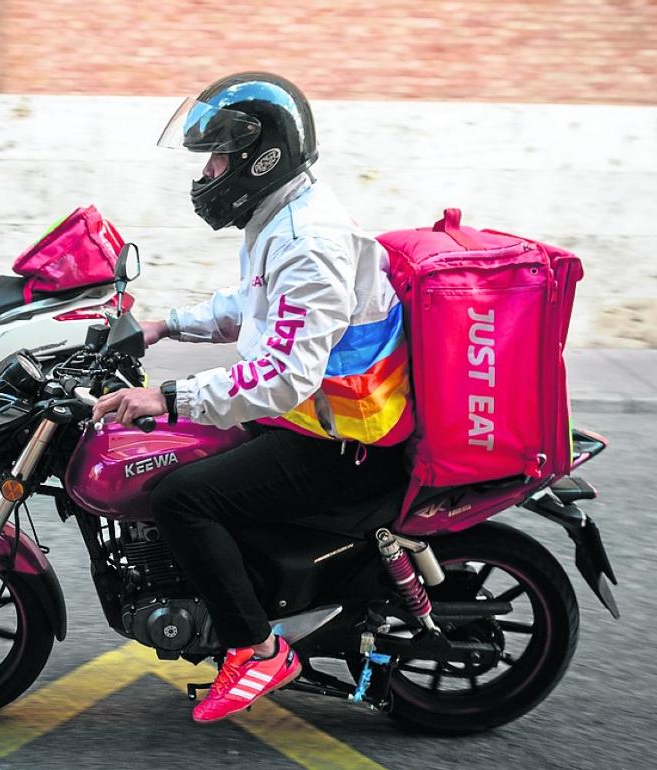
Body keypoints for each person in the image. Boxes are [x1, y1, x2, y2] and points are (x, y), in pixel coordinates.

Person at [91, 72, 414, 723]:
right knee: (187, 459)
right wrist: (163, 326)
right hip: (311, 425)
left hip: (343, 443)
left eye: (216, 157)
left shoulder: (306, 242)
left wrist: (169, 396)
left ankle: (256, 647)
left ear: (259, 155)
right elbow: (253, 307)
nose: (207, 174)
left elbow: (285, 375)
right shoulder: (284, 220)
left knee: (181, 497)